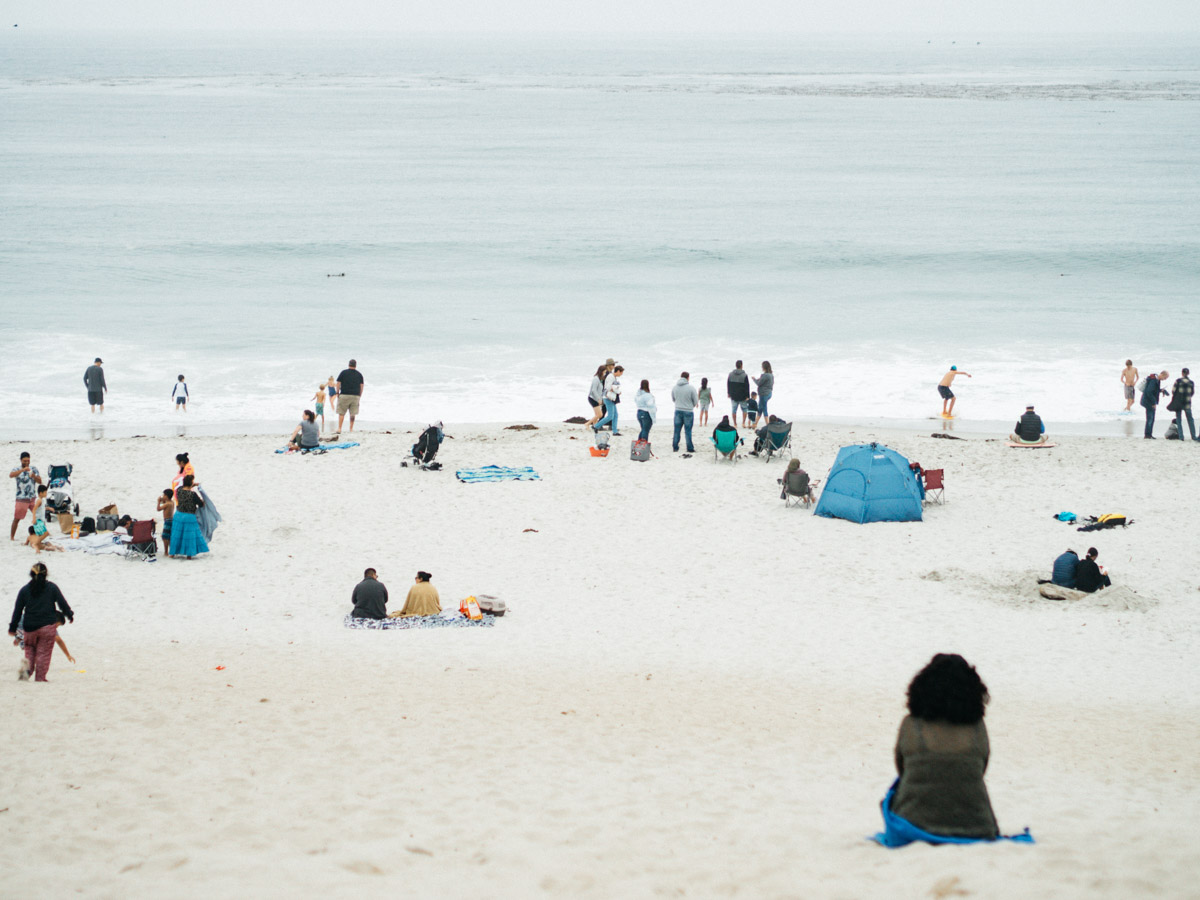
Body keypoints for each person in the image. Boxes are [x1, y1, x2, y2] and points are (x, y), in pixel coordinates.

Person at [889, 654, 999, 839]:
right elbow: (981, 768)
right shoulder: (977, 727)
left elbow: (902, 769)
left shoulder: (910, 724)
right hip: (977, 827)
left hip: (913, 825)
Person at [8, 562, 74, 682]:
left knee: (30, 650)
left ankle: (26, 669)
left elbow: (17, 611)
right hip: (47, 627)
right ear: (46, 575)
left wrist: (12, 628)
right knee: (44, 653)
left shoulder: (24, 590)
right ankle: (40, 678)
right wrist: (69, 615)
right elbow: (62, 603)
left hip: (29, 627)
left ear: (31, 574)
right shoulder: (52, 588)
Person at [169, 474, 209, 559]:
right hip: (189, 517)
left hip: (178, 515)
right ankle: (189, 555)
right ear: (191, 483)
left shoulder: (179, 490)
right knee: (189, 536)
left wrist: (191, 484)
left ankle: (172, 553)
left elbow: (181, 486)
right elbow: (201, 504)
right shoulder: (193, 494)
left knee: (177, 535)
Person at [10, 451, 42, 541]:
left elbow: (40, 481)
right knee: (17, 518)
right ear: (21, 460)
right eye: (24, 461)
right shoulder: (17, 469)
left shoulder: (34, 469)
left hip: (32, 497)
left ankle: (42, 534)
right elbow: (11, 475)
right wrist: (22, 470)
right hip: (21, 498)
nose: (27, 462)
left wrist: (34, 476)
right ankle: (12, 536)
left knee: (39, 517)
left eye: (28, 460)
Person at [671, 371, 699, 453]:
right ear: (688, 378)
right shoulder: (691, 388)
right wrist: (691, 406)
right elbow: (696, 401)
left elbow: (673, 399)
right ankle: (689, 448)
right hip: (688, 411)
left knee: (677, 430)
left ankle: (675, 447)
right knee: (688, 431)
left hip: (678, 410)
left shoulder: (675, 387)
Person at [335, 359, 365, 435]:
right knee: (352, 413)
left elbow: (338, 383)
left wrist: (337, 392)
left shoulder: (343, 372)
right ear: (355, 365)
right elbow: (361, 386)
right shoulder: (359, 374)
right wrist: (360, 394)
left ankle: (339, 428)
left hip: (344, 394)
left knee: (341, 412)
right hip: (355, 395)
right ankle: (351, 428)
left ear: (349, 364)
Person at [1167, 368, 1197, 442]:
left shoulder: (1178, 381)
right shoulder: (1191, 382)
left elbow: (1173, 391)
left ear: (1182, 373)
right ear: (1188, 373)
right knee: (1190, 420)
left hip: (1179, 403)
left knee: (1179, 420)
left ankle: (1181, 437)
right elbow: (1192, 393)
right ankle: (1193, 436)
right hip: (1187, 403)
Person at [594, 364, 623, 436]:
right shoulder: (611, 377)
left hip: (611, 398)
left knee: (615, 415)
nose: (621, 374)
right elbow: (609, 387)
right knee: (610, 416)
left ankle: (615, 431)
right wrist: (618, 391)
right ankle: (596, 426)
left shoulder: (613, 377)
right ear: (618, 371)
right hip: (608, 398)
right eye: (621, 372)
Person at [1140, 370, 1169, 439]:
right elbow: (1149, 392)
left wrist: (1161, 390)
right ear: (1162, 374)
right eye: (1165, 378)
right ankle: (1147, 435)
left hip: (1148, 400)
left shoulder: (1157, 380)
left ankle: (1149, 434)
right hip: (1148, 401)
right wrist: (1153, 403)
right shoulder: (1153, 380)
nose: (1164, 379)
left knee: (1151, 418)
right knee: (1150, 418)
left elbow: (1154, 390)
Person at [587, 363, 609, 428]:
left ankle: (595, 426)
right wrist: (598, 399)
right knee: (599, 414)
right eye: (604, 372)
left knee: (597, 414)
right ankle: (587, 424)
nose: (605, 373)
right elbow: (593, 390)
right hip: (592, 398)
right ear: (601, 371)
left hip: (596, 398)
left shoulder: (600, 379)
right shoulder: (596, 379)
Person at [156, 487, 174, 556]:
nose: (163, 496)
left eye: (164, 495)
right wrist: (162, 501)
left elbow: (158, 509)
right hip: (171, 520)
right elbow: (164, 503)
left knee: (164, 537)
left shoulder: (167, 504)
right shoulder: (171, 502)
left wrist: (158, 502)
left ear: (166, 496)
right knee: (168, 537)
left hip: (168, 521)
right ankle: (170, 551)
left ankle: (166, 552)